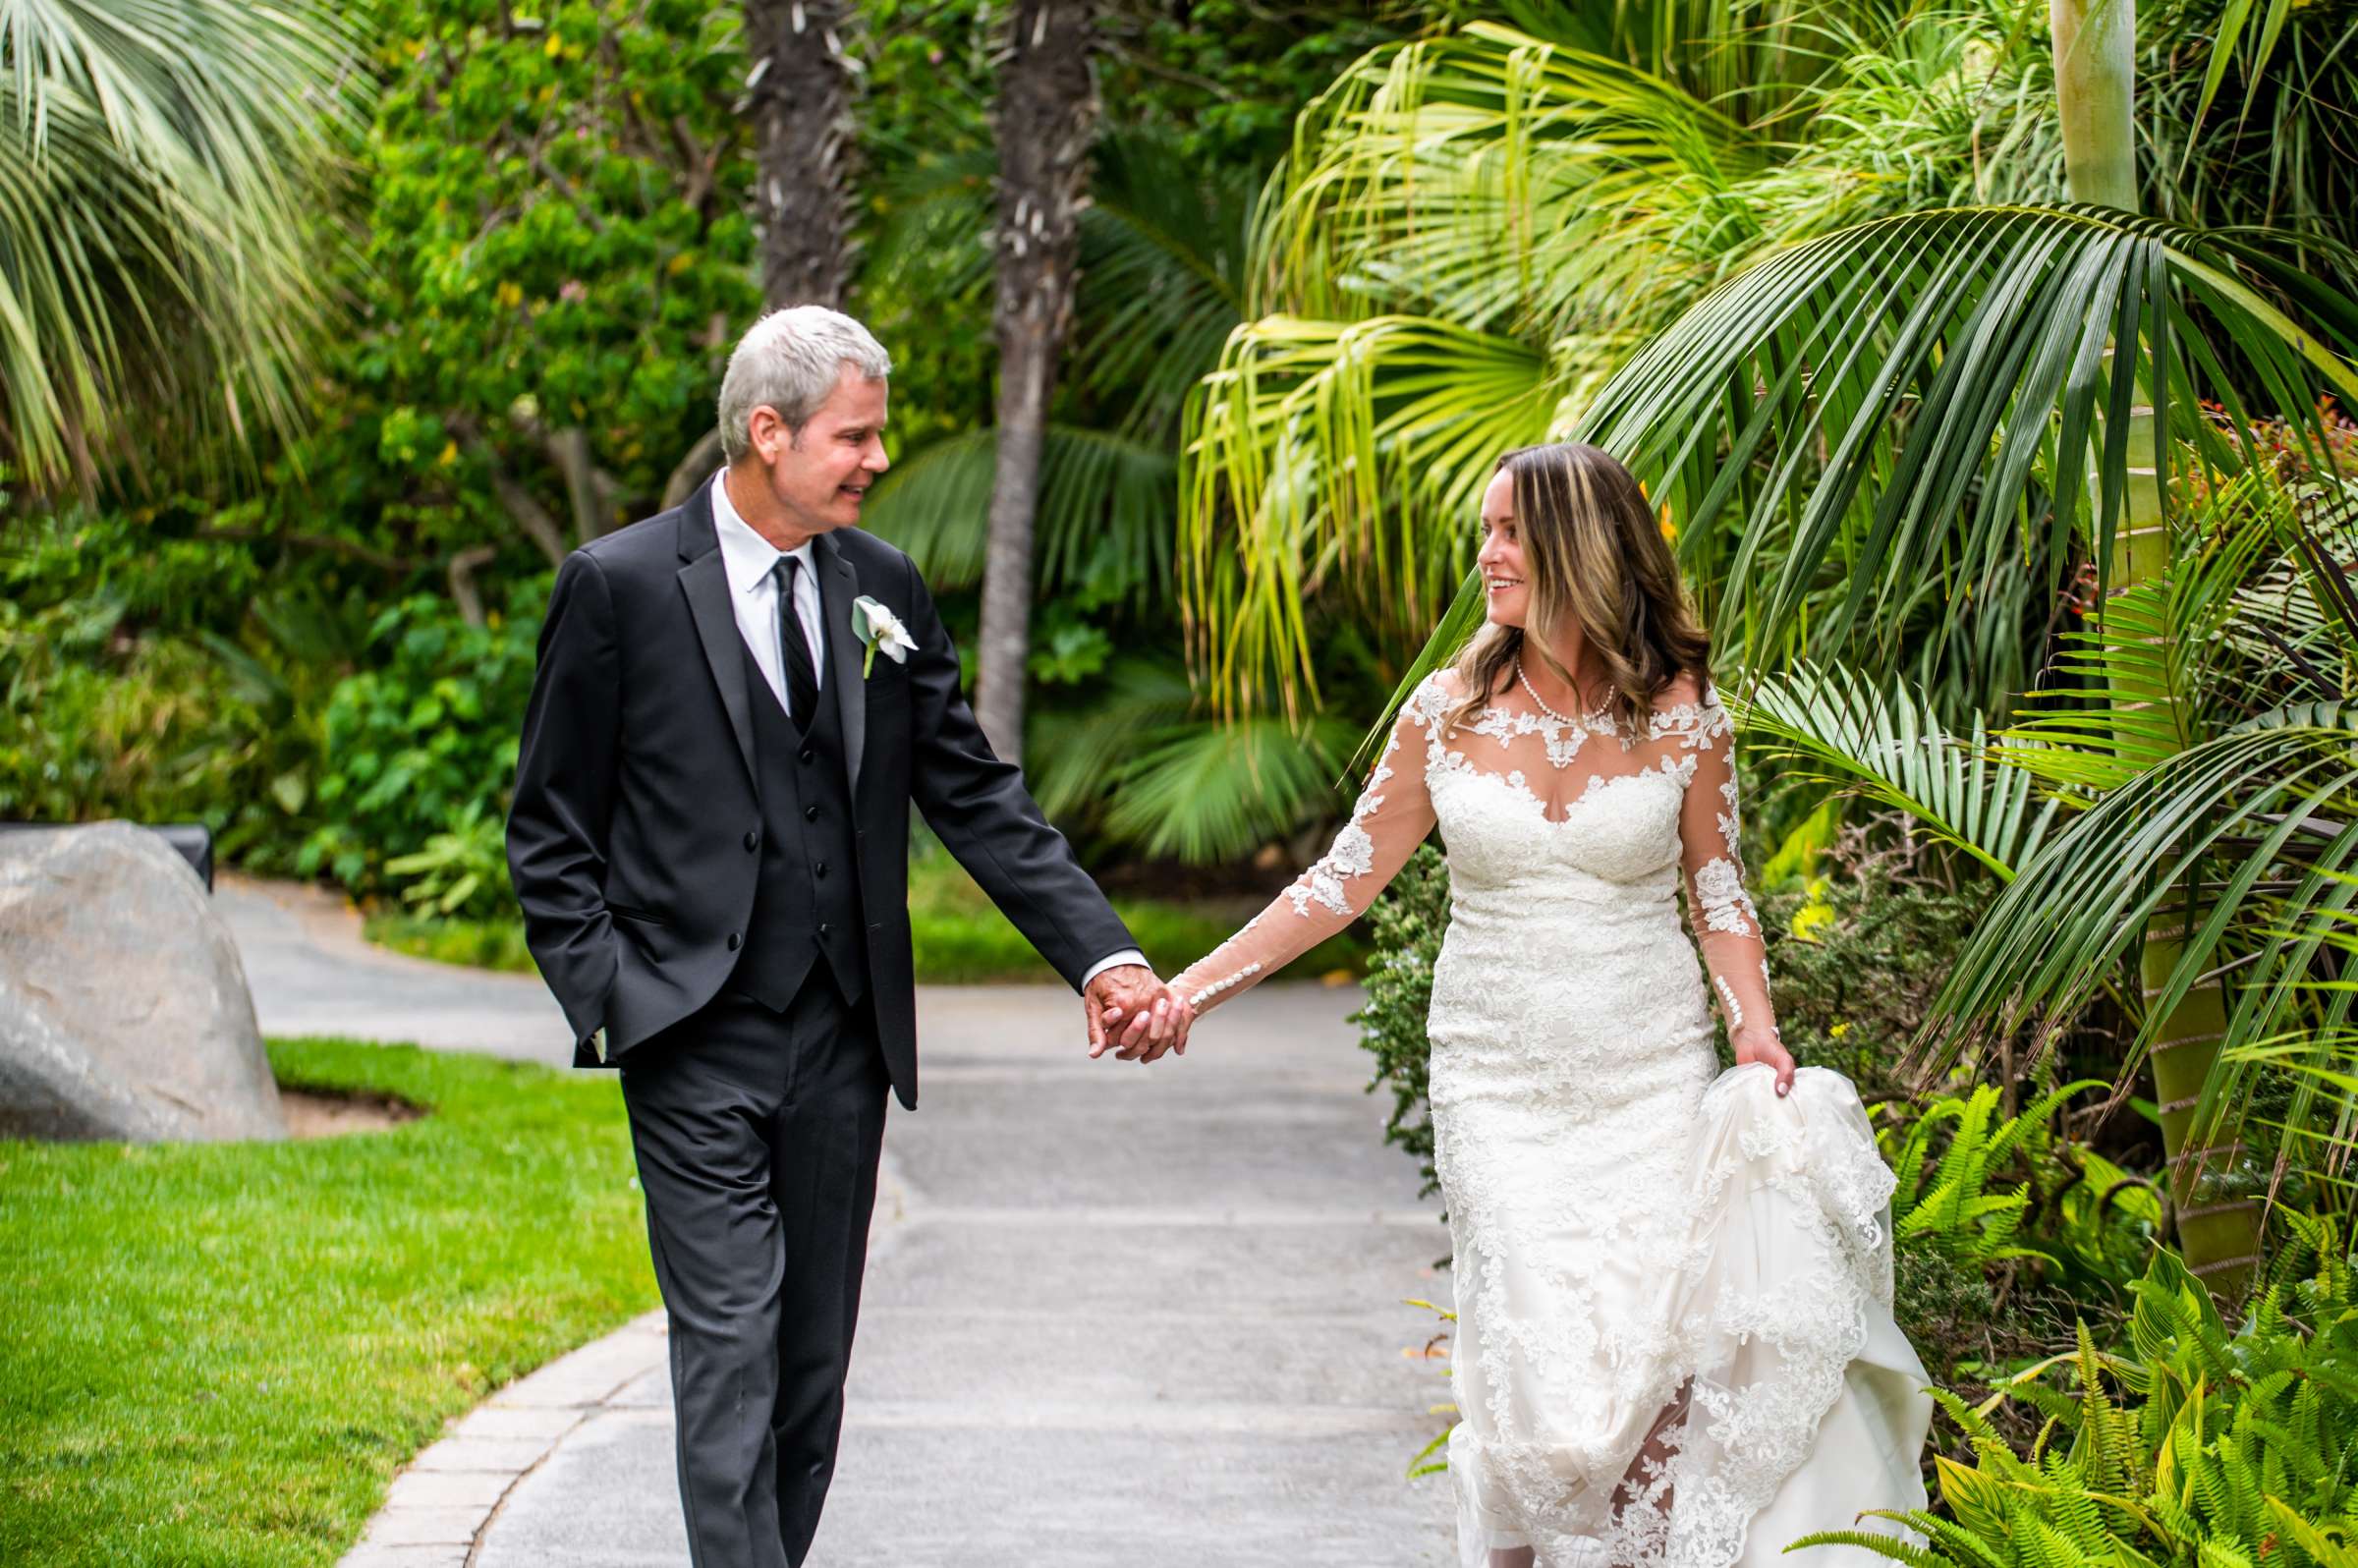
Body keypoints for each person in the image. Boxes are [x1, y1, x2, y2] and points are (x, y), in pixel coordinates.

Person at [1127, 443, 1932, 1566]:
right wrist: (1189, 992)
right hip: (1497, 1084)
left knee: (1649, 1369)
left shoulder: (1684, 710)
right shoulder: (1446, 712)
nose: (1487, 555)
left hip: (1649, 1075)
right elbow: (1340, 882)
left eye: (1509, 532)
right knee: (1532, 1388)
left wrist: (1753, 1022)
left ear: (1577, 547)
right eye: (1487, 531)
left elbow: (1716, 887)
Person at [504, 305, 1190, 1568]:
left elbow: (974, 791)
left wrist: (1106, 954)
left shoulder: (881, 586)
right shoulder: (619, 587)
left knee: (809, 1374)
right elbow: (549, 830)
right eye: (856, 436)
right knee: (728, 1348)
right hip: (690, 1035)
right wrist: (612, 993)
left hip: (842, 1042)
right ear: (768, 433)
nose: (879, 462)